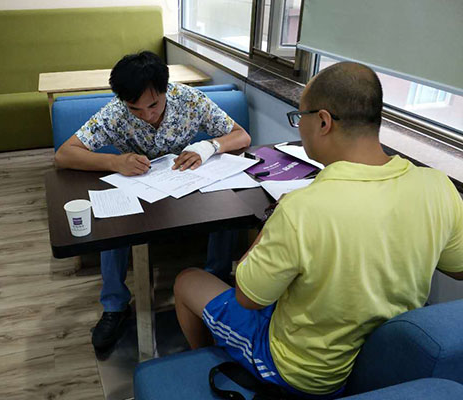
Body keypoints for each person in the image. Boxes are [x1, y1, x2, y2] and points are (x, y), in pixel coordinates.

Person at [174, 61, 463, 397]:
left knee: (187, 280)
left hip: (307, 374)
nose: (299, 127)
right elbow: (458, 269)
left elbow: (247, 297)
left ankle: (209, 360)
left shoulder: (301, 208)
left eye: (300, 118)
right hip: (382, 363)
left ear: (323, 121)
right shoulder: (438, 186)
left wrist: (272, 224)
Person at [54, 51, 251, 351]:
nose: (146, 115)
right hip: (138, 189)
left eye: (154, 105)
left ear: (165, 89)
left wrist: (208, 146)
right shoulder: (115, 113)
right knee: (111, 222)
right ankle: (115, 305)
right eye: (135, 108)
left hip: (183, 183)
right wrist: (114, 162)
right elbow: (63, 155)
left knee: (225, 204)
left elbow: (241, 136)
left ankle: (216, 281)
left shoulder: (189, 100)